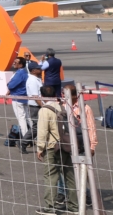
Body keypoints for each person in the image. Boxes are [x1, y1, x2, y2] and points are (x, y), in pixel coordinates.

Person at [35, 85, 77, 214]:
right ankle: (74, 206)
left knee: (51, 176)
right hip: (66, 144)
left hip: (53, 146)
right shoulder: (62, 106)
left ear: (42, 96)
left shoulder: (44, 110)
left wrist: (40, 148)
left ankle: (50, 206)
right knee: (69, 175)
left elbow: (42, 131)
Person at [6, 57, 33, 154]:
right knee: (29, 118)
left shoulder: (19, 73)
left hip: (18, 98)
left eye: (16, 62)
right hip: (24, 98)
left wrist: (9, 86)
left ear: (21, 64)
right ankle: (33, 137)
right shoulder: (25, 73)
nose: (14, 63)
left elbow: (11, 85)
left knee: (22, 119)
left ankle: (26, 140)